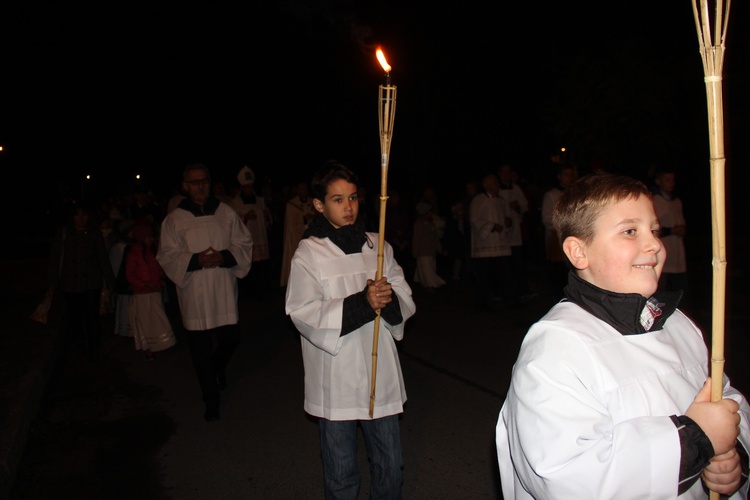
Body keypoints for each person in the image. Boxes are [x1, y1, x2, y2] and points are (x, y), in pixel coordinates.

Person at [495, 174, 750, 499]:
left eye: (654, 230)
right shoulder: (555, 348)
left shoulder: (678, 324)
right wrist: (695, 439)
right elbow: (565, 477)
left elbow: (725, 399)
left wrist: (729, 456)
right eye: (631, 231)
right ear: (578, 252)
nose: (655, 244)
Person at [285, 160, 416, 499]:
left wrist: (387, 299)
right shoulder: (310, 252)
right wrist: (362, 303)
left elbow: (404, 295)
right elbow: (301, 310)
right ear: (319, 204)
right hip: (336, 377)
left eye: (353, 198)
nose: (349, 207)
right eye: (338, 199)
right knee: (342, 473)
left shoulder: (378, 246)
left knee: (390, 466)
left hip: (380, 373)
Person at [157, 163, 253, 422]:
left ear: (209, 183)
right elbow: (166, 254)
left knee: (232, 338)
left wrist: (223, 256)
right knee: (199, 349)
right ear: (185, 186)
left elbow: (243, 242)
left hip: (221, 285)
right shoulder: (175, 219)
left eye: (204, 181)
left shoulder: (225, 212)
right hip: (194, 292)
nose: (200, 186)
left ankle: (216, 368)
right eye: (194, 182)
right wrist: (194, 260)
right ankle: (211, 399)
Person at [48, 203, 116, 362]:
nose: (81, 219)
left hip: (91, 283)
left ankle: (94, 351)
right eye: (77, 215)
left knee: (92, 318)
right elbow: (55, 258)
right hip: (70, 284)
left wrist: (109, 280)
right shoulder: (64, 234)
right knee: (75, 318)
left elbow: (102, 258)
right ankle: (79, 347)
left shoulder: (94, 233)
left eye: (84, 215)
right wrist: (52, 281)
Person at [125, 221, 176, 359]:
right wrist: (145, 284)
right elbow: (130, 275)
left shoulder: (151, 252)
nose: (151, 239)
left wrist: (161, 276)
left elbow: (156, 268)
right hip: (142, 293)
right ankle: (148, 347)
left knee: (157, 319)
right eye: (148, 236)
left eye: (152, 236)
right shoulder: (134, 254)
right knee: (146, 321)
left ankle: (160, 343)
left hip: (155, 291)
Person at [469, 173, 517, 309]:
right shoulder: (478, 200)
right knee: (483, 275)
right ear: (486, 185)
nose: (497, 186)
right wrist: (492, 226)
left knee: (505, 273)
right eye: (494, 183)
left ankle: (509, 299)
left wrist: (508, 221)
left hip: (501, 244)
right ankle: (481, 302)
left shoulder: (501, 200)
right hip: (485, 244)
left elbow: (507, 216)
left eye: (497, 183)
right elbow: (474, 219)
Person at [230, 166, 273, 299]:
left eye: (251, 186)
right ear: (242, 188)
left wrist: (266, 215)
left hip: (260, 236)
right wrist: (245, 217)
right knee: (250, 267)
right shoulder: (235, 202)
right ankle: (250, 294)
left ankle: (264, 292)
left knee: (262, 267)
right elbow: (233, 223)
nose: (249, 189)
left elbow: (268, 221)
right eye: (246, 187)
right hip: (247, 240)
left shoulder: (260, 200)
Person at [540, 163, 577, 302]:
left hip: (574, 237)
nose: (569, 178)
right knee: (558, 271)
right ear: (559, 177)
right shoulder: (551, 195)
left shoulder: (576, 193)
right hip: (556, 238)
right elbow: (546, 218)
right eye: (566, 175)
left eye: (571, 175)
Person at [497, 164, 534, 299]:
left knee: (518, 262)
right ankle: (505, 292)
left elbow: (524, 206)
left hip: (515, 231)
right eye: (503, 172)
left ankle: (522, 290)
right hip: (502, 231)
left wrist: (517, 206)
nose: (506, 175)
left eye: (508, 172)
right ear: (499, 173)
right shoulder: (496, 189)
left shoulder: (516, 188)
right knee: (503, 264)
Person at [653, 168, 688, 297]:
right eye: (667, 180)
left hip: (677, 252)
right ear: (658, 181)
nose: (671, 183)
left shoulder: (677, 202)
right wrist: (671, 230)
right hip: (664, 251)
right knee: (662, 289)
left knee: (680, 290)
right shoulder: (655, 201)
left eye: (673, 179)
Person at [279, 180, 315, 287]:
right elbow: (291, 224)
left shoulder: (313, 202)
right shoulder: (291, 205)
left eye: (305, 188)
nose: (304, 191)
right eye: (301, 188)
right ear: (297, 190)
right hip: (297, 238)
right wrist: (303, 218)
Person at [411, 201, 446, 291]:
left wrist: (439, 248)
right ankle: (429, 285)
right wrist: (415, 251)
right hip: (423, 251)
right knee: (427, 270)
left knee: (429, 268)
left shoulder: (431, 223)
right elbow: (416, 239)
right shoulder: (418, 224)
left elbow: (435, 237)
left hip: (430, 251)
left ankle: (425, 282)